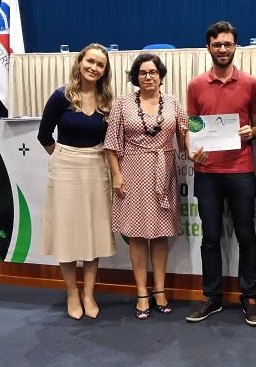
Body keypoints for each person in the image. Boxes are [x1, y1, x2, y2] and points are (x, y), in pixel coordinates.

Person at [184, 21, 256, 326]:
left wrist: (250, 131)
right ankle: (213, 297)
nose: (222, 49)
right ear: (208, 47)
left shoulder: (251, 83)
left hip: (241, 170)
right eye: (217, 44)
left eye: (228, 44)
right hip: (207, 172)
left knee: (246, 235)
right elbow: (191, 127)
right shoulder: (195, 85)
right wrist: (191, 149)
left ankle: (250, 298)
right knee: (211, 237)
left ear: (235, 47)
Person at [104, 53, 189, 320]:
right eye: (143, 73)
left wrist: (205, 146)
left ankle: (160, 290)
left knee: (161, 234)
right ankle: (142, 292)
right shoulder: (122, 103)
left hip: (163, 172)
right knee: (137, 236)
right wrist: (116, 175)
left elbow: (187, 136)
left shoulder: (174, 103)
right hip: (132, 171)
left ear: (161, 75)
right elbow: (111, 144)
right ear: (135, 77)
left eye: (153, 72)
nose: (148, 77)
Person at [37, 43, 116, 320]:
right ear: (80, 62)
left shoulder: (108, 101)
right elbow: (44, 135)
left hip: (96, 167)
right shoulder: (61, 96)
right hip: (66, 168)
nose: (94, 68)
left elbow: (111, 142)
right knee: (68, 234)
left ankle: (89, 293)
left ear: (105, 71)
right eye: (90, 62)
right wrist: (64, 158)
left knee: (92, 232)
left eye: (100, 65)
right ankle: (72, 293)